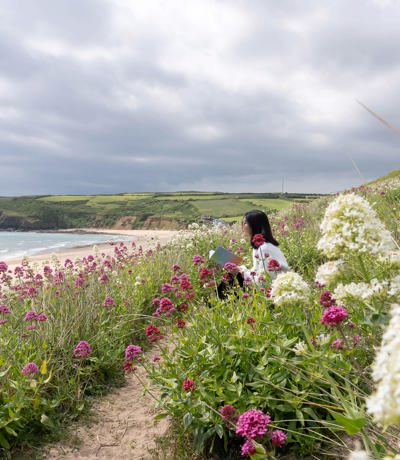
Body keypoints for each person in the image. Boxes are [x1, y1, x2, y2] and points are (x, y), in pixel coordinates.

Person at [238, 210, 289, 286]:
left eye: (245, 223)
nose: (242, 225)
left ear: (254, 225)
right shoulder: (262, 246)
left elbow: (264, 281)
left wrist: (243, 273)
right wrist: (243, 270)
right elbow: (258, 272)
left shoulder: (264, 248)